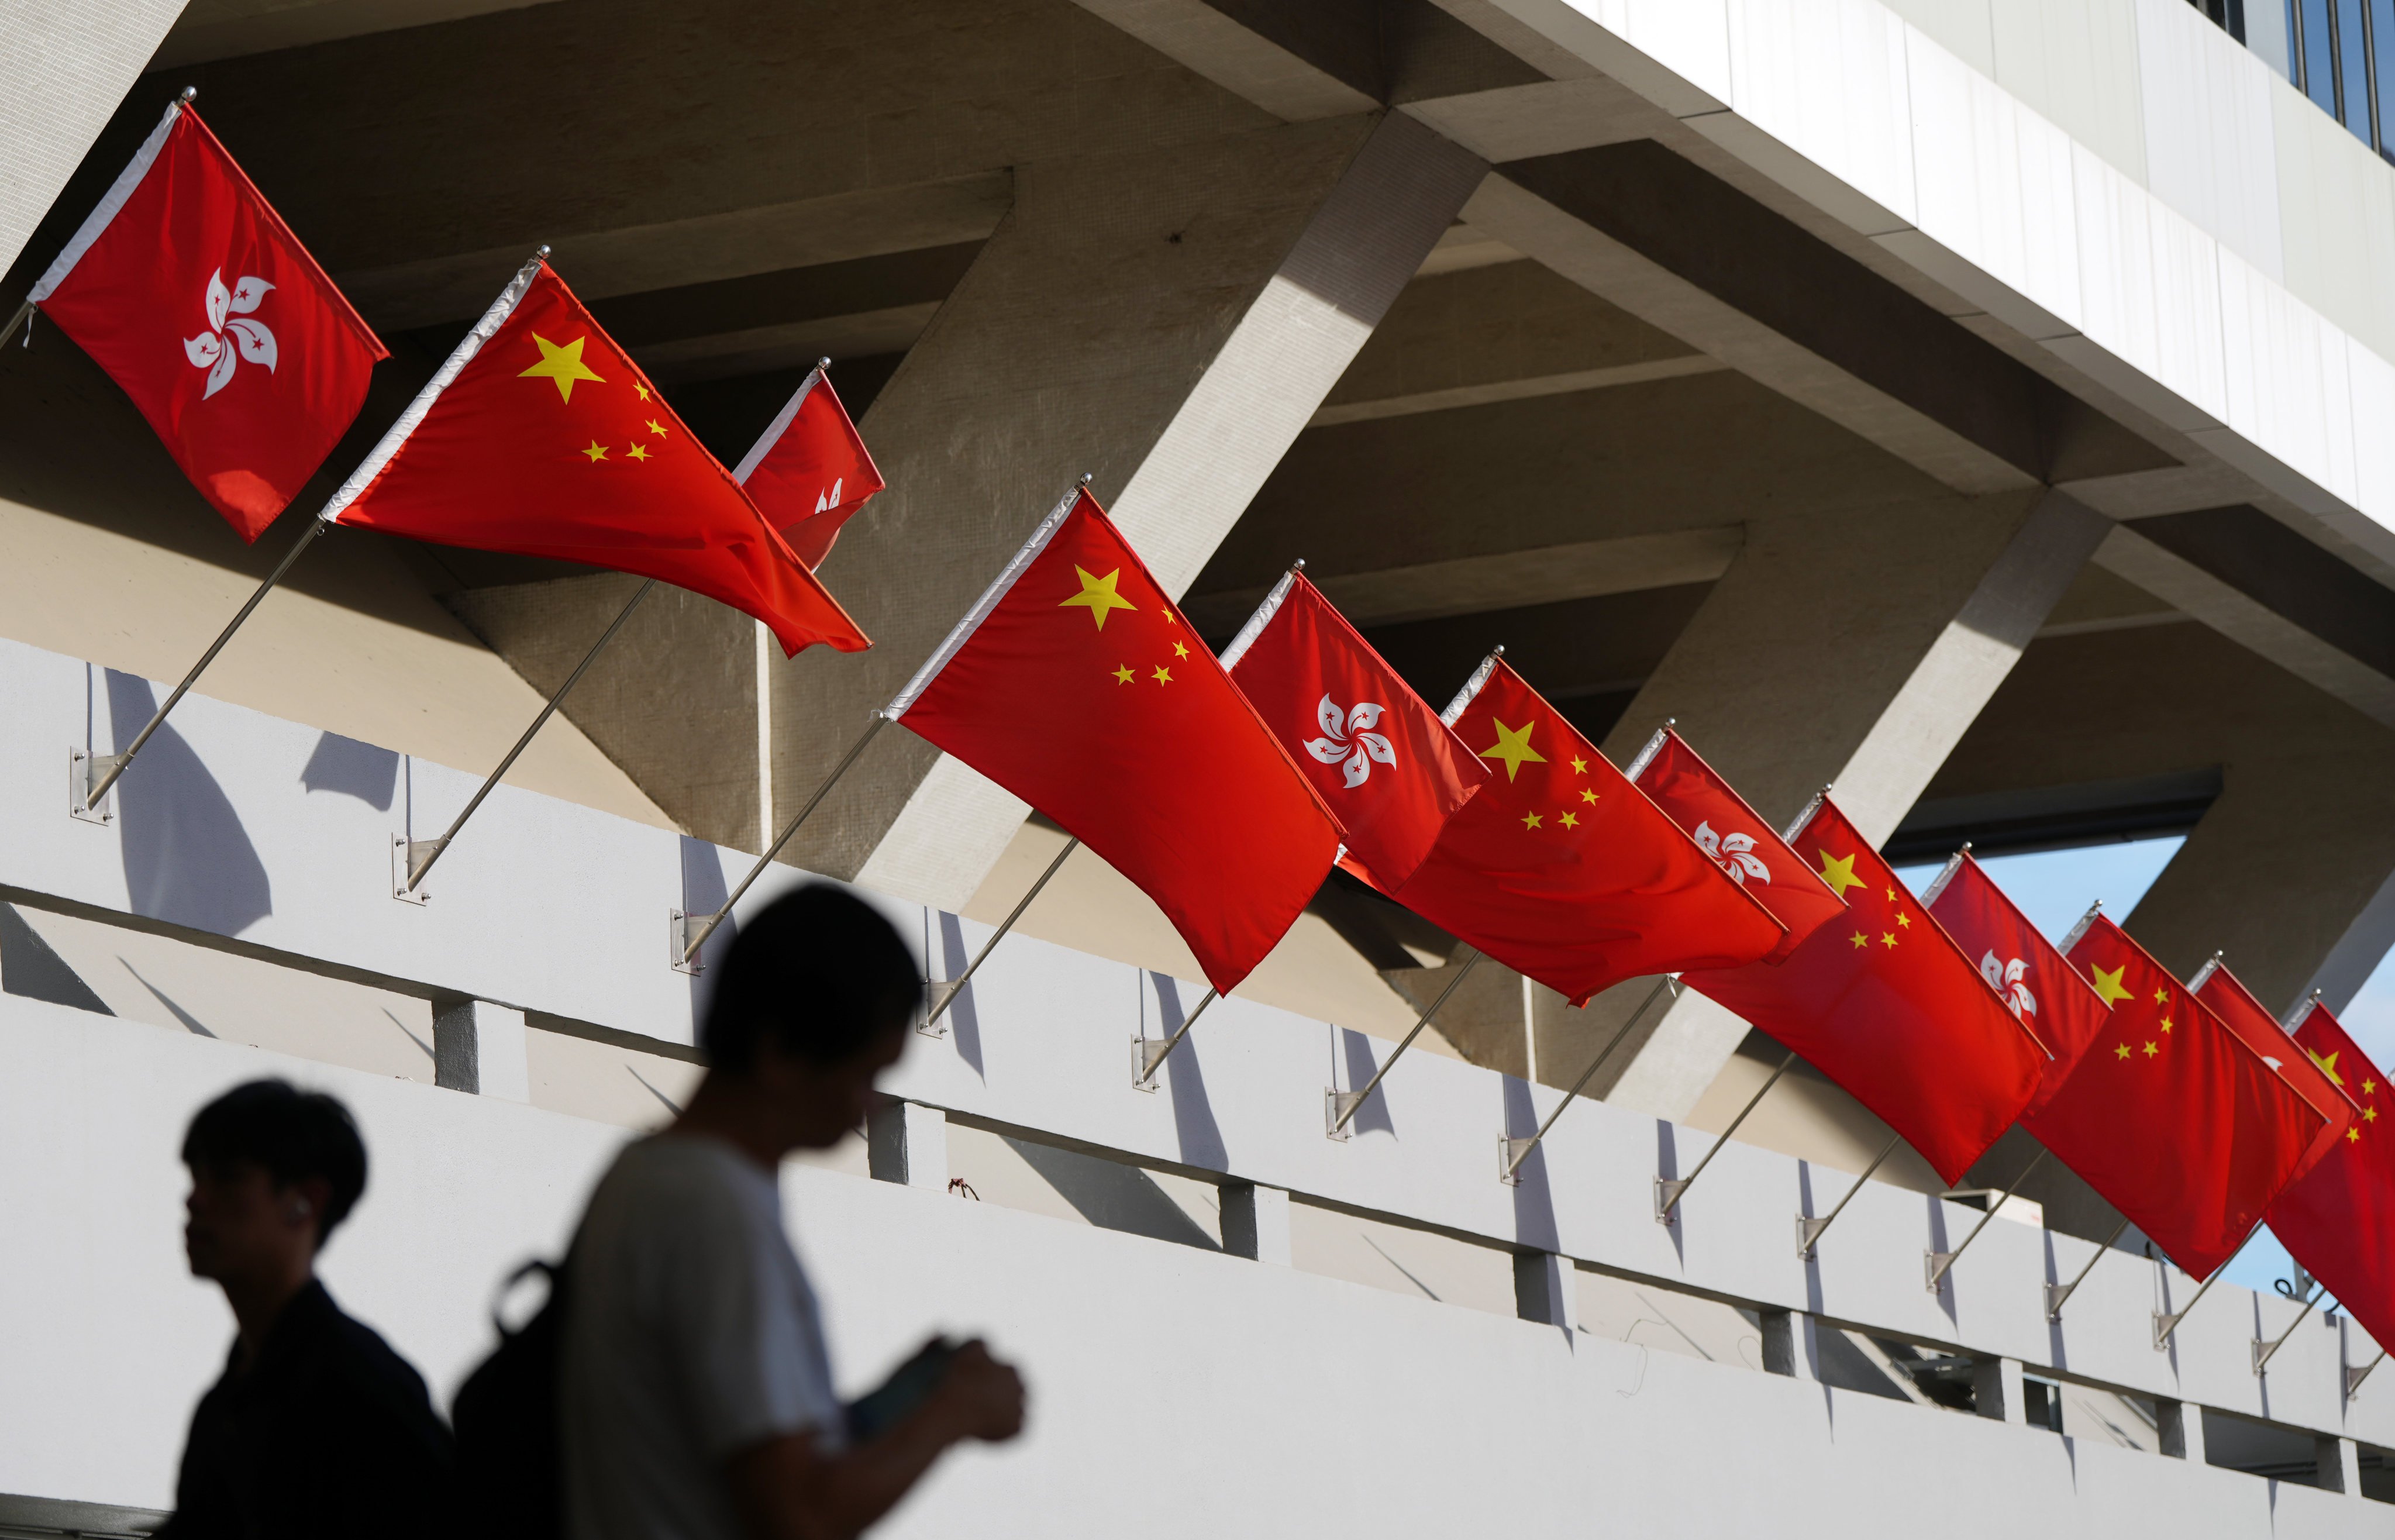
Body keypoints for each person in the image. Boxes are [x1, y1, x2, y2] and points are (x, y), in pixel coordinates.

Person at [562, 884, 1026, 1540]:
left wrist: (892, 1406)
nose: (867, 1105)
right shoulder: (713, 1209)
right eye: (865, 1074)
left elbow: (741, 1454)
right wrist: (951, 1412)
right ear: (780, 1051)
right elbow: (798, 1512)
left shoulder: (647, 1175)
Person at [162, 1079, 456, 1538]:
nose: (194, 1198)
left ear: (305, 1202)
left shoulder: (361, 1388)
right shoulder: (225, 1404)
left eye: (228, 1176)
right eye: (196, 1174)